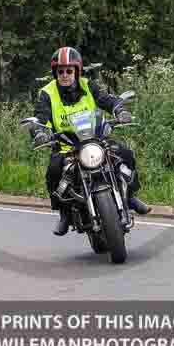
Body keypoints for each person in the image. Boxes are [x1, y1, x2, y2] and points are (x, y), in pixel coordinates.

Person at [29, 47, 151, 236]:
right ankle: (64, 213)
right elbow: (40, 115)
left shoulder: (88, 85)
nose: (65, 75)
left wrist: (120, 111)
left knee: (125, 154)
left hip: (97, 140)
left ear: (77, 71)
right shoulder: (47, 93)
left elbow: (107, 100)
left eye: (69, 70)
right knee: (53, 170)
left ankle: (130, 197)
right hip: (66, 146)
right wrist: (39, 131)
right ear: (55, 73)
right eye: (60, 71)